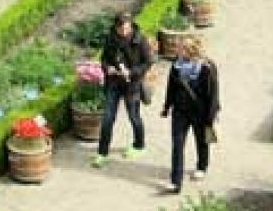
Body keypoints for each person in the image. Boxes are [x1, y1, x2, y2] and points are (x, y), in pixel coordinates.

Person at [93, 11, 155, 167]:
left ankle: (139, 145)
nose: (124, 32)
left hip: (131, 84)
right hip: (113, 82)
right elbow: (104, 59)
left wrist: (132, 72)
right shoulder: (111, 38)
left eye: (127, 29)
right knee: (107, 118)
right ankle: (102, 153)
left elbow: (148, 62)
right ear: (116, 27)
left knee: (134, 117)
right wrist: (108, 68)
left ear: (131, 26)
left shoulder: (140, 40)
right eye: (121, 29)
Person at [161, 36, 220, 194]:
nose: (178, 50)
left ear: (191, 50)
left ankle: (202, 166)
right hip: (180, 111)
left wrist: (210, 117)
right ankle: (175, 182)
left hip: (201, 112)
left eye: (182, 48)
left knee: (201, 141)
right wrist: (167, 107)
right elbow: (171, 88)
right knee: (177, 145)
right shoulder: (176, 65)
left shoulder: (207, 67)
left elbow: (213, 94)